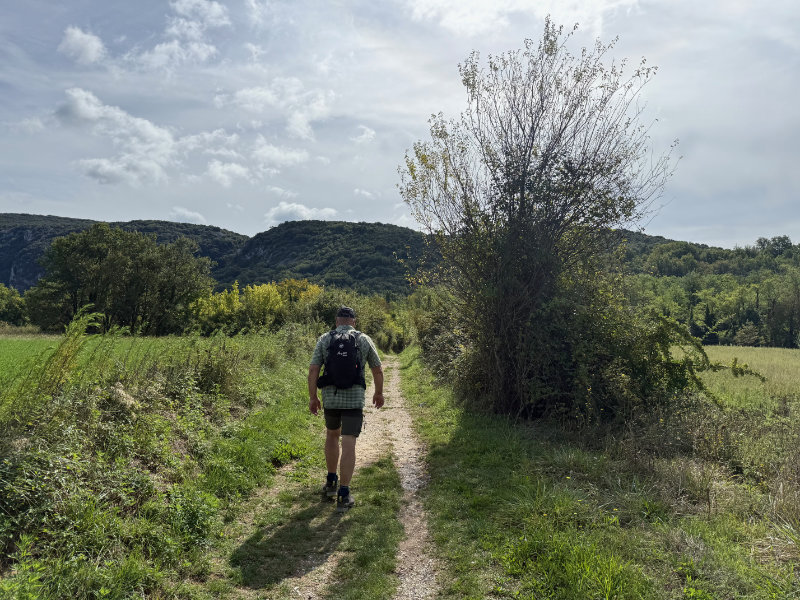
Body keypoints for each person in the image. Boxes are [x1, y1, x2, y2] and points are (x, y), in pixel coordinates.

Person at [308, 306, 384, 511]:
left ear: (336, 321)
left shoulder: (325, 338)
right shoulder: (363, 339)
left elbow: (314, 369)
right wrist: (379, 393)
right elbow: (377, 369)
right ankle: (344, 494)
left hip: (330, 398)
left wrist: (313, 397)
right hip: (354, 398)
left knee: (332, 435)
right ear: (354, 322)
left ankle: (331, 483)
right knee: (349, 443)